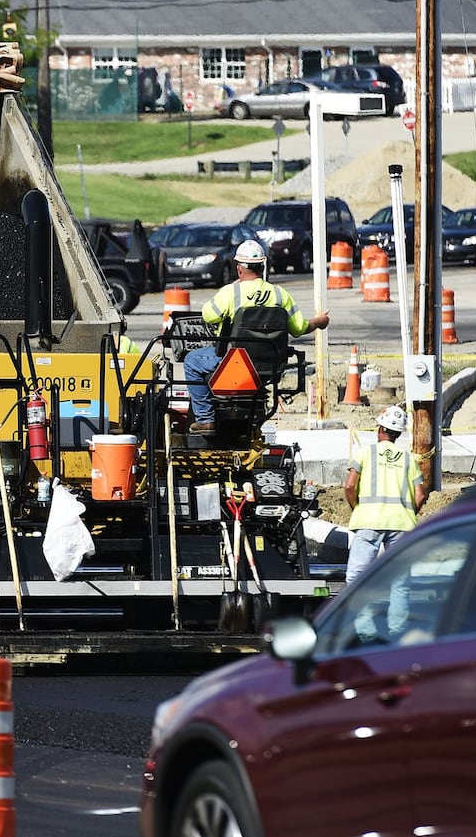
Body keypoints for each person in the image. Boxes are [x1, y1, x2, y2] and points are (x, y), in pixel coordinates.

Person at [183, 238, 330, 432]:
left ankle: (205, 419)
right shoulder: (280, 295)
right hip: (270, 365)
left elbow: (208, 315)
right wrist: (319, 322)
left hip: (234, 363)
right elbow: (299, 328)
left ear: (239, 268)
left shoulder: (231, 293)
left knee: (192, 360)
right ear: (263, 266)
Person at [344, 405, 428, 641]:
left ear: (380, 428)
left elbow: (350, 485)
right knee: (400, 580)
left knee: (357, 577)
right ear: (398, 434)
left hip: (369, 520)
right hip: (402, 523)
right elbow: (420, 495)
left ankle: (366, 630)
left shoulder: (365, 453)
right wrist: (408, 513)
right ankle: (397, 630)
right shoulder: (409, 459)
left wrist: (357, 507)